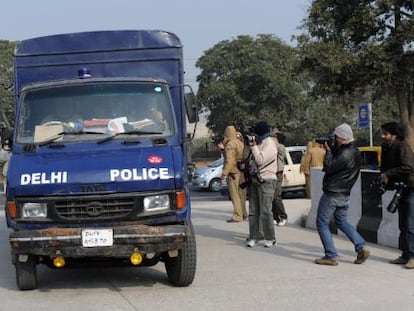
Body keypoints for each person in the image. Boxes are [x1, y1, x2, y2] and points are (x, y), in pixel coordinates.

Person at [314, 123, 370, 266]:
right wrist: (333, 149)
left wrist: (328, 151)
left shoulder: (345, 153)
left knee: (321, 223)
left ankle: (331, 256)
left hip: (333, 193)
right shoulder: (355, 151)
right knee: (342, 222)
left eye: (336, 137)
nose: (334, 139)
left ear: (341, 138)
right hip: (345, 194)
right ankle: (360, 246)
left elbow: (328, 167)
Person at [380, 122, 414, 269]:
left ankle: (412, 256)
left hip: (411, 188)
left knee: (410, 224)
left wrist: (388, 173)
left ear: (394, 135)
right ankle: (405, 254)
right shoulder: (388, 148)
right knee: (402, 224)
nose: (383, 136)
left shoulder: (403, 146)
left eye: (386, 133)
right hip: (400, 189)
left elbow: (408, 167)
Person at [246, 121, 278, 248]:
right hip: (255, 180)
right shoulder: (260, 143)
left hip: (267, 181)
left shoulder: (270, 144)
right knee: (253, 211)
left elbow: (260, 160)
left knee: (265, 211)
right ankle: (254, 236)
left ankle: (270, 238)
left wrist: (254, 147)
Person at [220, 125, 245, 223]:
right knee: (242, 194)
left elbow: (229, 160)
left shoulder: (230, 145)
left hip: (233, 172)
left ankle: (237, 216)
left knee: (235, 195)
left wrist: (224, 173)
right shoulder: (240, 143)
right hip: (242, 171)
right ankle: (243, 213)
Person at [271, 131, 288, 226]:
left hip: (278, 173)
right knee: (271, 196)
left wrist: (272, 140)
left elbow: (275, 146)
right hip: (271, 173)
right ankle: (275, 216)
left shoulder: (281, 147)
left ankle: (283, 216)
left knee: (276, 196)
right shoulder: (273, 145)